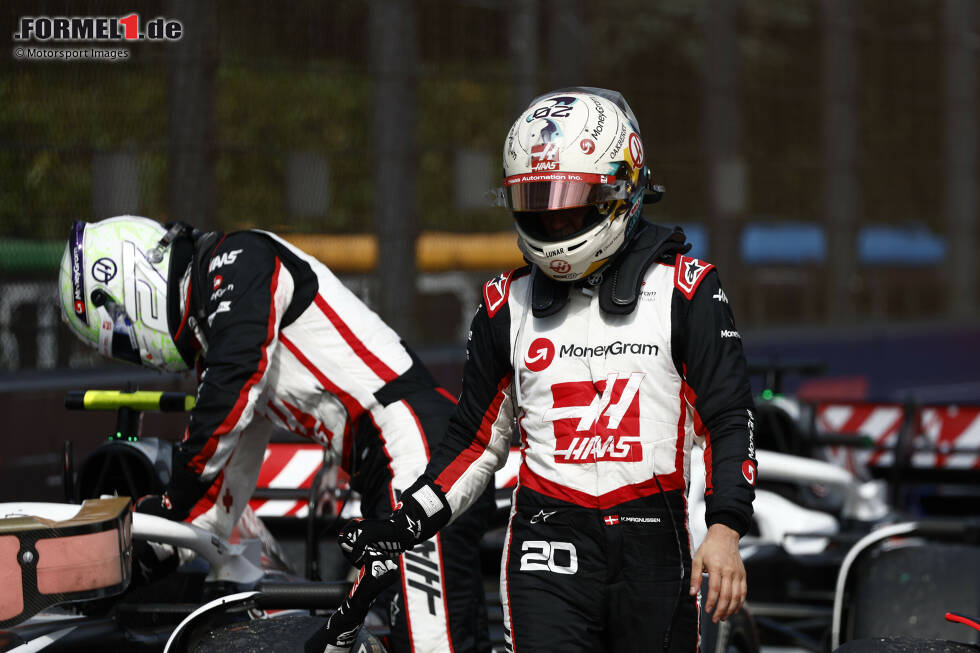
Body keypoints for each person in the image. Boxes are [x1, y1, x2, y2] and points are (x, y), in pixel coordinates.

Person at [338, 87, 758, 652]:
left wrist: (725, 529)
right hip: (547, 540)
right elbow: (475, 440)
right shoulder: (501, 304)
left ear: (620, 188)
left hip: (655, 543)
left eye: (568, 203)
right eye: (536, 203)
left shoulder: (687, 287)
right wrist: (408, 519)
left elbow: (728, 418)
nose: (552, 220)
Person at [57, 217, 493, 653]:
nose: (135, 351)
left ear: (130, 283)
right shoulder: (224, 345)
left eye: (119, 334)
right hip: (402, 458)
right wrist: (140, 558)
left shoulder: (239, 261)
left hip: (416, 451)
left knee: (429, 647)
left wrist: (170, 500)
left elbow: (230, 393)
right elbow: (215, 496)